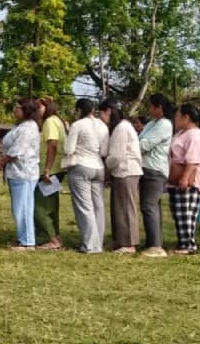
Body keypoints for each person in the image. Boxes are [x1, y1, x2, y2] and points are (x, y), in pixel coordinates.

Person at [64, 98, 109, 254]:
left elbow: (69, 149)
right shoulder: (103, 125)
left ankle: (89, 244)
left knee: (84, 206)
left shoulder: (77, 125)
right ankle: (98, 243)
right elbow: (104, 151)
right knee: (98, 206)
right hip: (98, 167)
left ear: (79, 110)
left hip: (81, 165)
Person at [0, 98, 41, 251]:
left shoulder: (26, 128)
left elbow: (18, 150)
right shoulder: (22, 126)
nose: (15, 110)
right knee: (23, 206)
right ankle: (25, 237)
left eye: (18, 108)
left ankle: (28, 241)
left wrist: (4, 160)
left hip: (23, 172)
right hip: (19, 172)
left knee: (22, 207)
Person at [100, 99, 142, 254]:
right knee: (118, 207)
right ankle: (120, 240)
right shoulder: (120, 127)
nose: (101, 118)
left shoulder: (121, 128)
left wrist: (106, 167)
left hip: (126, 171)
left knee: (126, 207)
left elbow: (116, 155)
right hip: (121, 171)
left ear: (108, 111)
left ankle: (129, 242)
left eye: (101, 113)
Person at [167, 103, 200, 255]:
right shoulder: (181, 133)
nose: (175, 119)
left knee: (186, 212)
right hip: (176, 176)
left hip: (188, 177)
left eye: (177, 116)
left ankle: (188, 244)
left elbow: (193, 159)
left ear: (186, 117)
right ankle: (182, 241)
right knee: (178, 211)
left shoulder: (194, 134)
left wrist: (184, 178)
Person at [138, 93, 174, 257]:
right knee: (152, 206)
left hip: (155, 169)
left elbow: (145, 144)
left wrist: (130, 147)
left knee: (149, 206)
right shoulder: (152, 123)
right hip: (146, 167)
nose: (149, 109)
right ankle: (153, 241)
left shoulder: (164, 124)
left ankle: (156, 246)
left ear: (159, 107)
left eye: (151, 106)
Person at [35, 97, 67, 250]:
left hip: (51, 170)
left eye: (39, 107)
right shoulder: (56, 120)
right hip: (57, 169)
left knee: (40, 206)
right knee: (52, 205)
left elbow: (52, 145)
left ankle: (51, 238)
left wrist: (47, 169)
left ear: (47, 107)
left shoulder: (49, 122)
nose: (36, 110)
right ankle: (56, 236)